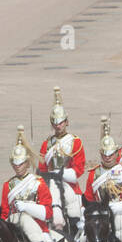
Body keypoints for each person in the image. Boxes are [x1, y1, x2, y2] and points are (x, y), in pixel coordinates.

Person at [0, 126, 63, 242]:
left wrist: (26, 207)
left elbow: (47, 213)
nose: (17, 167)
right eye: (15, 164)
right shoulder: (7, 185)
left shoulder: (38, 183)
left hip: (39, 229)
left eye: (20, 163)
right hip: (14, 226)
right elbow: (4, 213)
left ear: (27, 163)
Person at [81, 118, 122, 242]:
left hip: (121, 214)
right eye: (104, 154)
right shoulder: (94, 174)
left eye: (111, 154)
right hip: (99, 216)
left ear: (116, 152)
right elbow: (88, 198)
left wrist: (111, 208)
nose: (108, 157)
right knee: (81, 240)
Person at [38, 87, 85, 232]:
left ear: (67, 122)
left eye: (61, 122)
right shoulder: (46, 144)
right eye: (55, 123)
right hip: (51, 184)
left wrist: (59, 173)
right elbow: (42, 169)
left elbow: (79, 170)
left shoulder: (75, 142)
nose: (58, 126)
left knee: (77, 214)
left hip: (69, 185)